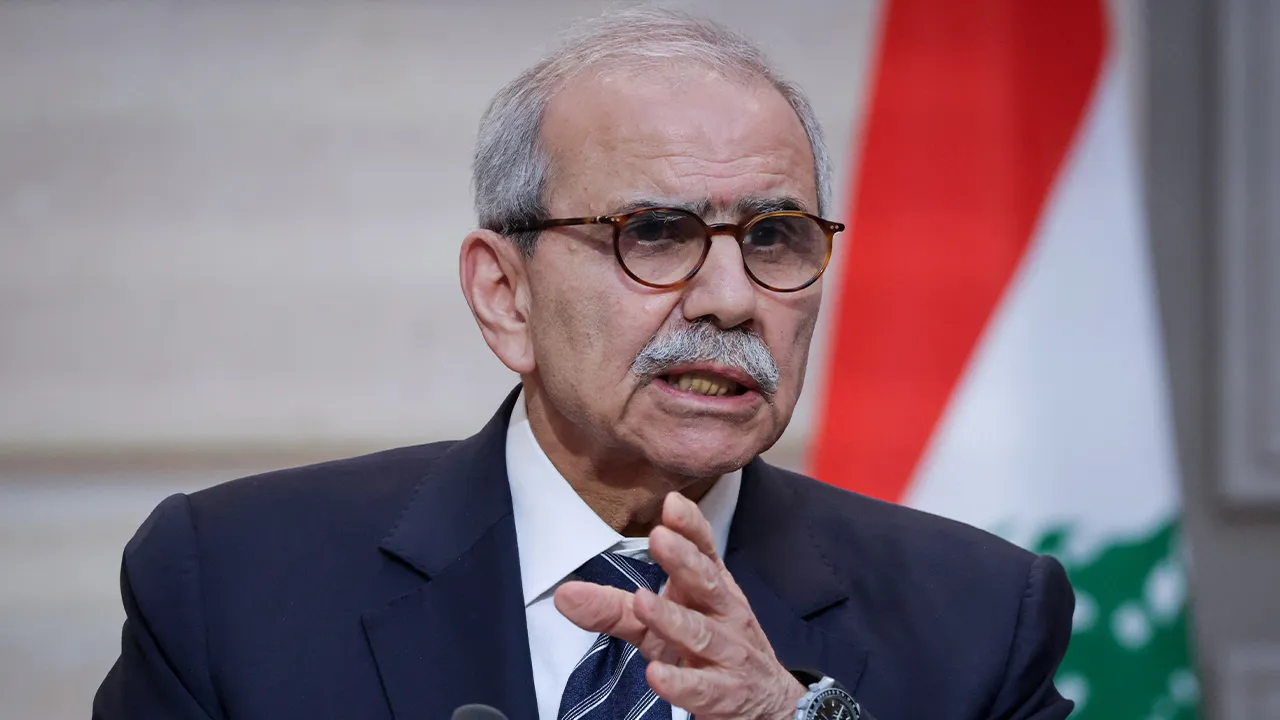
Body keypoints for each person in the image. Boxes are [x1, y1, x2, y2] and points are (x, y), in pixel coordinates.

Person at [93, 8, 1075, 720]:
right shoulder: (233, 582)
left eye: (773, 237)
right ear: (503, 296)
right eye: (653, 232)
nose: (731, 298)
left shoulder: (976, 615)